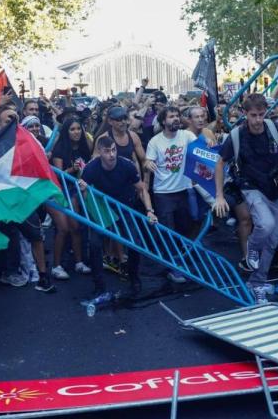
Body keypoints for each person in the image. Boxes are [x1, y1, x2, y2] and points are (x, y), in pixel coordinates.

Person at [213, 94, 278, 303]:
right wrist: (218, 195)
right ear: (245, 114)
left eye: (261, 115)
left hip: (275, 188)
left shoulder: (275, 128)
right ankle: (251, 250)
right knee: (266, 224)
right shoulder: (236, 135)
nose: (258, 120)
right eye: (253, 115)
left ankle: (257, 282)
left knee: (271, 242)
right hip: (251, 187)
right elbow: (219, 163)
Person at [78, 135, 157, 299]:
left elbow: (141, 189)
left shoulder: (126, 165)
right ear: (99, 152)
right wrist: (83, 189)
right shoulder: (91, 168)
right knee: (94, 245)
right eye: (107, 151)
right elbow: (84, 196)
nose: (112, 154)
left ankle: (134, 277)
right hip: (103, 208)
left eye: (113, 150)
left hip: (124, 207)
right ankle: (99, 285)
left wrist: (149, 210)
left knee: (135, 244)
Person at [145, 106, 195, 283]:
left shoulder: (187, 136)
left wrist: (209, 141)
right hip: (163, 193)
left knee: (185, 228)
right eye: (171, 116)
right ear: (163, 121)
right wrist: (148, 164)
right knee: (168, 231)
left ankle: (181, 262)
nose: (176, 119)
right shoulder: (155, 142)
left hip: (184, 190)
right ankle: (173, 268)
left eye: (177, 116)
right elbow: (148, 161)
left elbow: (201, 146)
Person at [49, 116, 92, 279]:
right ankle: (56, 266)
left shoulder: (83, 147)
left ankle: (79, 262)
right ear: (66, 132)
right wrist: (72, 169)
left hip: (77, 190)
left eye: (78, 129)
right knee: (63, 229)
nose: (76, 132)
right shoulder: (60, 149)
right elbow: (59, 175)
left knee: (76, 227)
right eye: (72, 129)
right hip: (60, 191)